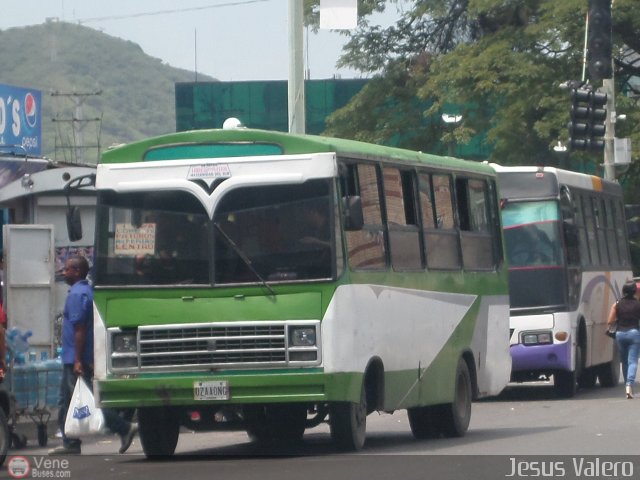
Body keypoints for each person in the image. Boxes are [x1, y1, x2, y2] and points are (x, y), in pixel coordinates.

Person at [49, 255, 138, 455]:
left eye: (68, 269)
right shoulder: (87, 291)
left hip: (75, 358)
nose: (64, 272)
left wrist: (78, 360)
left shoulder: (77, 295)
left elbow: (79, 329)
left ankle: (123, 427)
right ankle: (70, 441)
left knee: (83, 400)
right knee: (67, 400)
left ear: (77, 272)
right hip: (77, 356)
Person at [606, 281, 640, 399]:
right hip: (634, 334)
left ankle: (627, 385)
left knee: (624, 362)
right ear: (634, 291)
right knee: (633, 361)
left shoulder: (617, 304)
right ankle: (629, 384)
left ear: (623, 291)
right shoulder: (638, 304)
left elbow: (610, 321)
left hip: (620, 334)